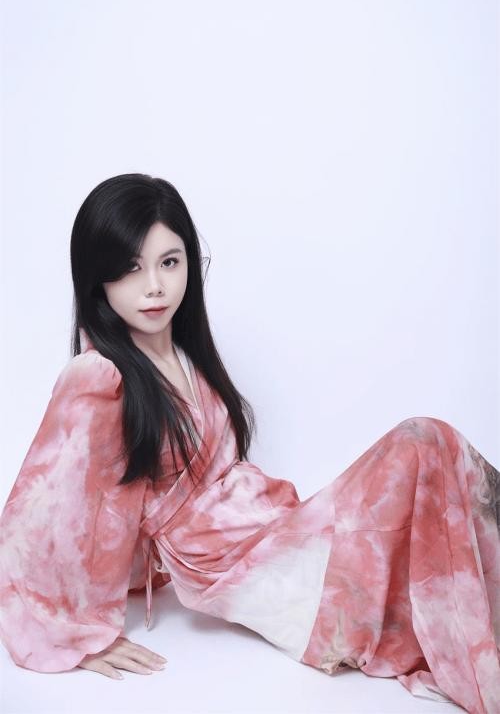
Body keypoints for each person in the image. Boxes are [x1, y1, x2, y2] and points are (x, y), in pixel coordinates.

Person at [0, 173, 498, 714]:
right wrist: (75, 632)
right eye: (129, 268)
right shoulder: (100, 377)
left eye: (169, 262)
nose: (154, 287)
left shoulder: (187, 357)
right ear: (97, 277)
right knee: (424, 442)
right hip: (237, 568)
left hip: (272, 528)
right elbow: (47, 514)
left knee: (436, 488)